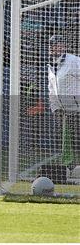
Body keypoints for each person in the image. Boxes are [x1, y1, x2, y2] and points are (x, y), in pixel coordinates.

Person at [47, 35, 80, 169]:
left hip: (76, 108)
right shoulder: (50, 65)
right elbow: (51, 87)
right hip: (61, 110)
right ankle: (71, 168)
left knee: (77, 139)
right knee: (66, 141)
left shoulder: (74, 61)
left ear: (64, 47)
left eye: (59, 45)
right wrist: (54, 106)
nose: (55, 47)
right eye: (53, 45)